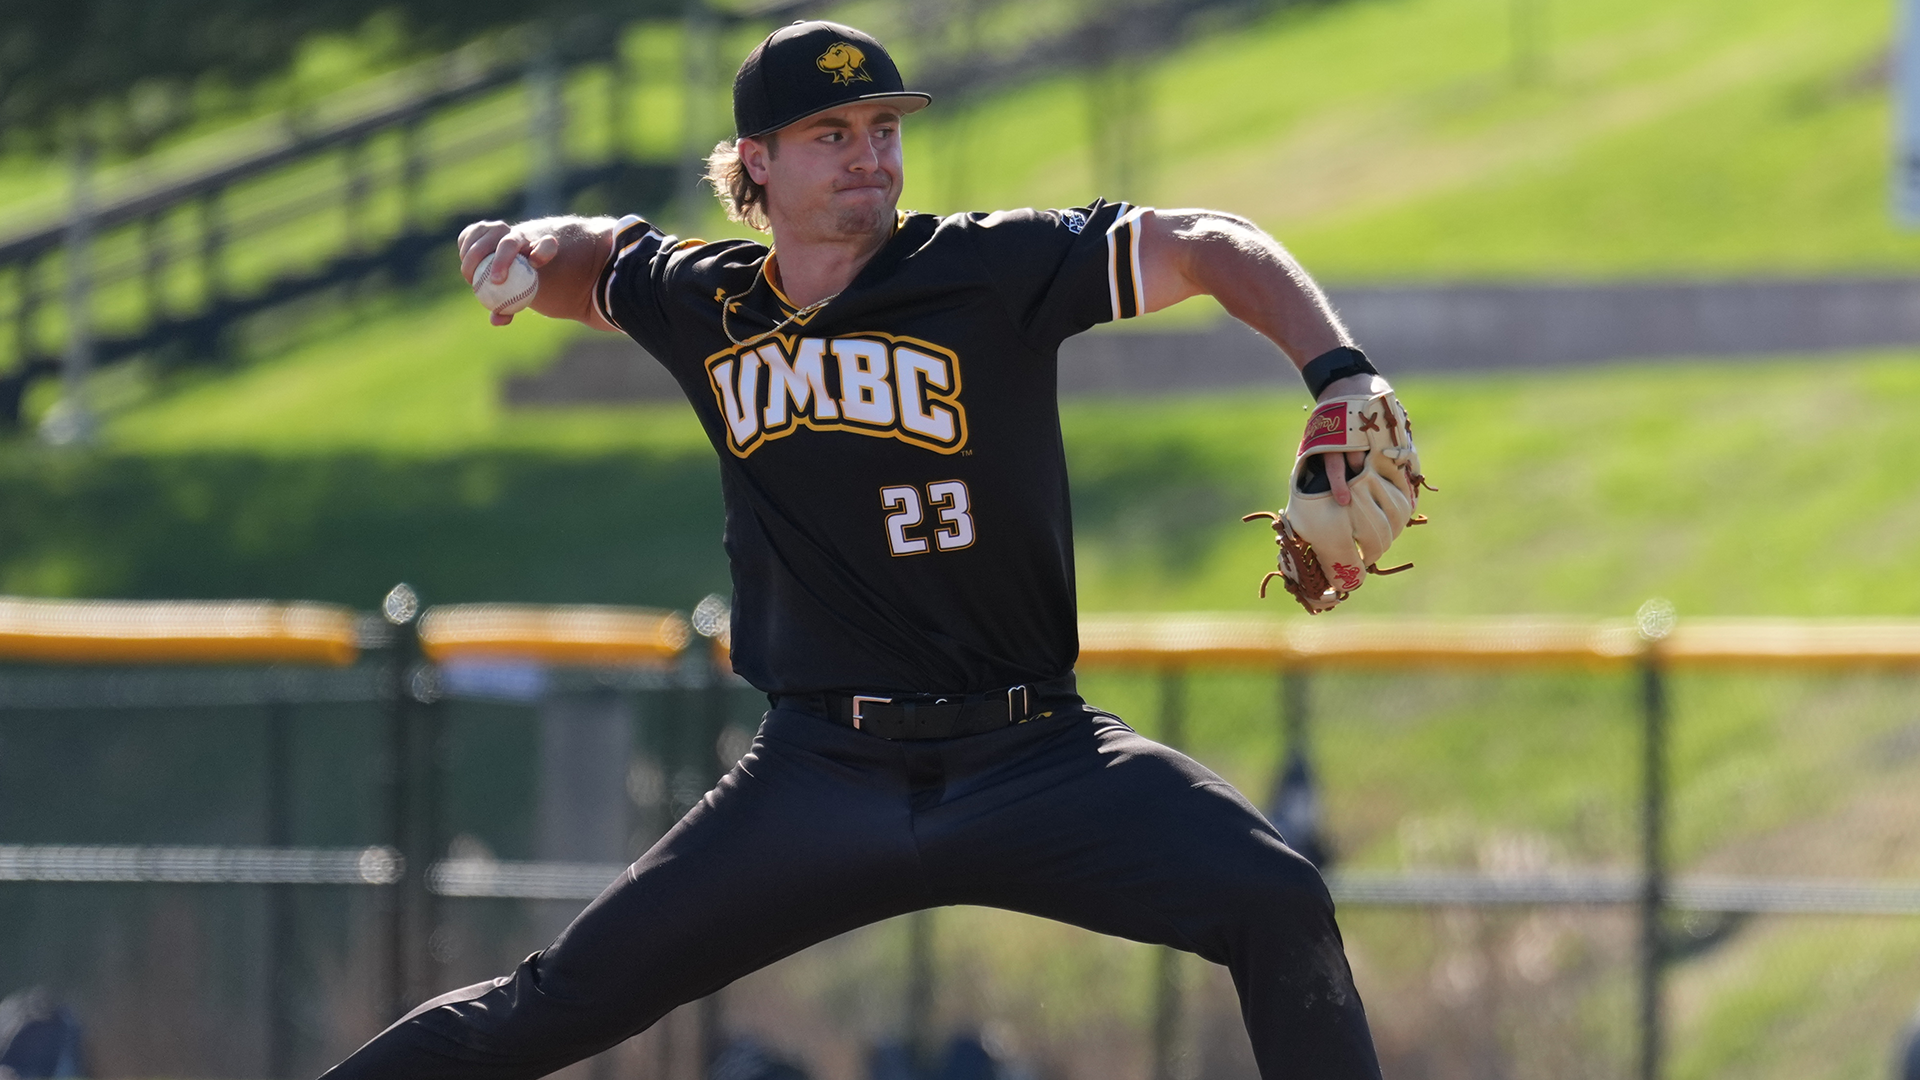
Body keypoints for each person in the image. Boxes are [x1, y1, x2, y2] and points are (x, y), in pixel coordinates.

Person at [324, 19, 1393, 1080]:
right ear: (757, 162)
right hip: (821, 774)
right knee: (551, 1006)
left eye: (882, 126)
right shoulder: (714, 303)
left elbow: (1209, 243)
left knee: (1278, 901)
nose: (870, 154)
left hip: (1034, 756)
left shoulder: (988, 270)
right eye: (831, 132)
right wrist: (521, 244)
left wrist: (1339, 369)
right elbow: (594, 256)